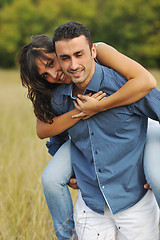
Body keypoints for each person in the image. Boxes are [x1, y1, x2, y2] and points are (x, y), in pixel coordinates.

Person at [18, 34, 157, 240]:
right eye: (44, 75)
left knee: (157, 176)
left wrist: (100, 105)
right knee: (51, 179)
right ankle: (68, 235)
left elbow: (146, 82)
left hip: (141, 119)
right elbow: (45, 131)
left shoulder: (100, 53)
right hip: (88, 130)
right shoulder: (58, 96)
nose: (53, 74)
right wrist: (83, 111)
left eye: (51, 64)